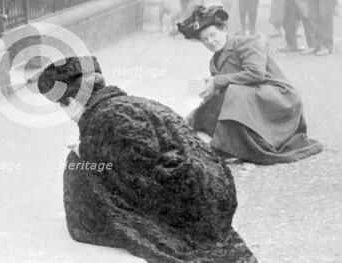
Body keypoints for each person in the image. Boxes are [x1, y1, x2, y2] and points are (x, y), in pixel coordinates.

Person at [36, 56, 257, 262]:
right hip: (218, 196)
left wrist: (86, 152)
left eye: (62, 106)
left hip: (193, 209)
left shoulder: (103, 117)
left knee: (78, 163)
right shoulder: (133, 103)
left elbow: (138, 171)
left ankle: (94, 223)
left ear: (71, 103)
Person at [178, 5, 324, 165]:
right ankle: (231, 144)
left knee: (235, 92)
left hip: (278, 97)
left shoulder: (247, 43)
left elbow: (256, 74)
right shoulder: (214, 62)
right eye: (205, 40)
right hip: (252, 99)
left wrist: (218, 80)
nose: (210, 42)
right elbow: (220, 92)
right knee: (211, 108)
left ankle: (243, 146)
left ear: (224, 30)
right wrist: (194, 114)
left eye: (213, 35)